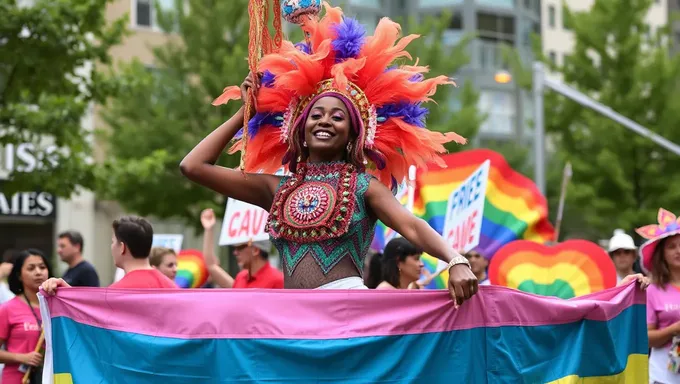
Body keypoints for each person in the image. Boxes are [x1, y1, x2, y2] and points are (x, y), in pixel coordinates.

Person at [180, 5, 477, 305]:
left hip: (347, 318)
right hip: (293, 320)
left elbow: (412, 226)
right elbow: (193, 166)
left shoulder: (365, 187)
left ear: (352, 135)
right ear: (300, 129)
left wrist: (455, 261)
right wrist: (246, 112)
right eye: (316, 115)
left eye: (337, 118)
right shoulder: (277, 189)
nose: (324, 121)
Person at [42, 216, 177, 294]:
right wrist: (69, 293)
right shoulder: (173, 289)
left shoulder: (116, 293)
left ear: (122, 247)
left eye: (113, 242)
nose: (111, 247)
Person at [636, 208, 680, 383]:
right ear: (662, 254)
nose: (678, 250)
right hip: (663, 377)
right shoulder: (652, 291)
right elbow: (645, 339)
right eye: (671, 247)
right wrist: (673, 329)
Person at [0, 249, 52, 384]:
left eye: (42, 267)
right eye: (31, 268)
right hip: (16, 379)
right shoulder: (7, 309)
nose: (38, 272)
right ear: (19, 275)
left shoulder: (56, 309)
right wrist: (22, 358)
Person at [200, 208, 283, 289]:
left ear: (255, 250)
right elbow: (211, 266)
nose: (235, 253)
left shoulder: (278, 280)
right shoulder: (241, 277)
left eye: (240, 248)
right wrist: (209, 229)